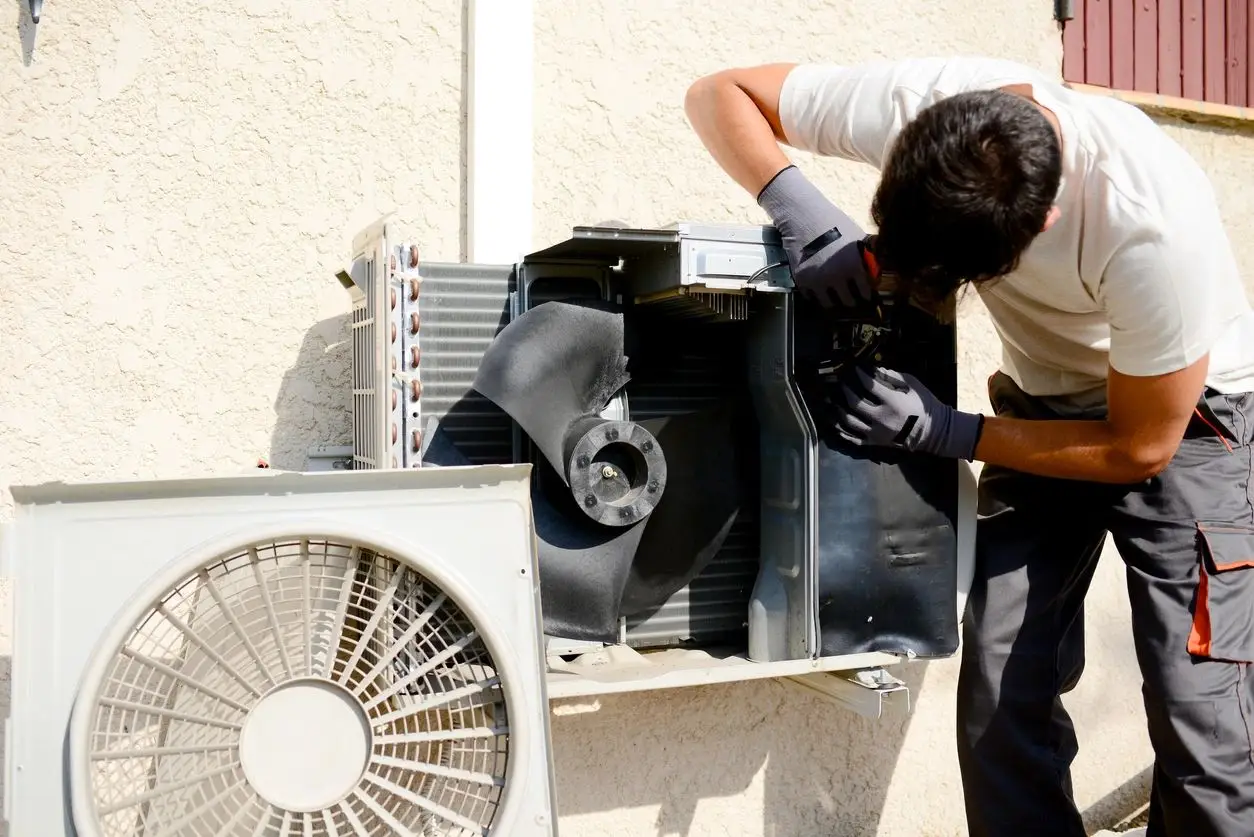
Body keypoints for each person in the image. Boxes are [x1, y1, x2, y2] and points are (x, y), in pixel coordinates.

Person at [684, 55, 1254, 837]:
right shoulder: (925, 104)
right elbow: (721, 93)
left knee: (1201, 721)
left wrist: (955, 433)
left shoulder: (1153, 224)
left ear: (1042, 223)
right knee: (999, 691)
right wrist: (798, 204)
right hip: (1043, 404)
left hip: (1185, 424)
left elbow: (1139, 447)